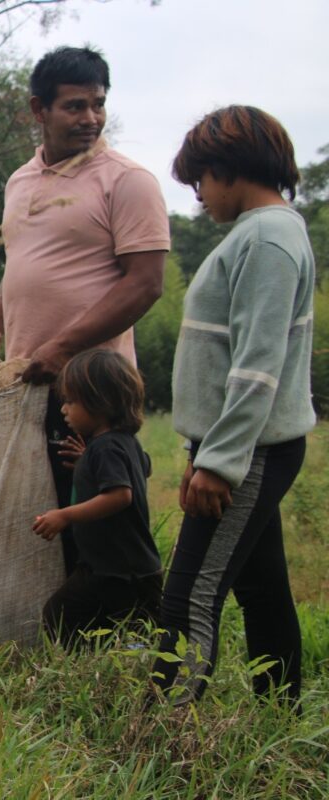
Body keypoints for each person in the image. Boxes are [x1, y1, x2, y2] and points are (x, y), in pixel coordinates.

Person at [0, 46, 169, 570]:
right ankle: (54, 623)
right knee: (37, 510)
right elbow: (22, 267)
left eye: (98, 104)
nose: (91, 118)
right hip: (28, 377)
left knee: (98, 518)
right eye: (75, 106)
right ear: (38, 110)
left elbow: (145, 285)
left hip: (92, 387)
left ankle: (118, 625)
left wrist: (64, 348)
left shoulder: (128, 180)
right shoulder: (20, 180)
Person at [152, 106, 316, 706]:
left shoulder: (270, 238)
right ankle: (281, 708)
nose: (200, 197)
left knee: (190, 594)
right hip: (242, 446)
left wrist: (219, 462)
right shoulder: (260, 233)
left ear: (229, 168)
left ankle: (161, 733)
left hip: (250, 450)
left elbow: (256, 363)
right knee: (263, 584)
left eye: (201, 182)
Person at [31, 350, 162, 646]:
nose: (64, 410)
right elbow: (143, 468)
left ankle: (137, 681)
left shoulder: (105, 448)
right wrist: (87, 463)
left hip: (125, 574)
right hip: (107, 567)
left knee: (139, 639)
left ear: (100, 402)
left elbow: (120, 495)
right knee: (63, 614)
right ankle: (93, 672)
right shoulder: (121, 443)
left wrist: (64, 515)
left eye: (71, 401)